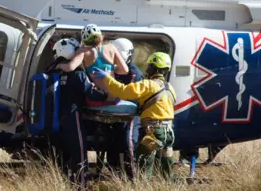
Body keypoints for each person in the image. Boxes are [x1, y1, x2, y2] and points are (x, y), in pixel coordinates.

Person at [91, 52, 176, 180]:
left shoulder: (148, 84)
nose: (147, 70)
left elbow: (123, 92)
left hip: (153, 132)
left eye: (149, 67)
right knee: (166, 164)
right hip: (169, 132)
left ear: (155, 68)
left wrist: (106, 78)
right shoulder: (170, 87)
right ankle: (169, 186)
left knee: (144, 163)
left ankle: (142, 187)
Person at [47, 37, 110, 187]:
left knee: (62, 153)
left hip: (55, 119)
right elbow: (91, 92)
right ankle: (81, 184)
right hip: (72, 116)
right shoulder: (77, 74)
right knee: (79, 152)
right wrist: (107, 92)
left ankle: (62, 183)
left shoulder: (53, 71)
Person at [106, 38, 144, 180]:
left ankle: (132, 177)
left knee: (129, 142)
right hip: (115, 113)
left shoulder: (135, 74)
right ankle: (114, 175)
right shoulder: (112, 69)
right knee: (112, 142)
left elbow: (131, 97)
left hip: (132, 114)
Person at [56, 24, 129, 79]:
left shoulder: (83, 51)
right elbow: (125, 70)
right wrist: (110, 69)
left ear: (84, 40)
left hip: (98, 96)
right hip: (114, 95)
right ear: (101, 36)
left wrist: (59, 65)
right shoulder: (111, 48)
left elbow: (70, 67)